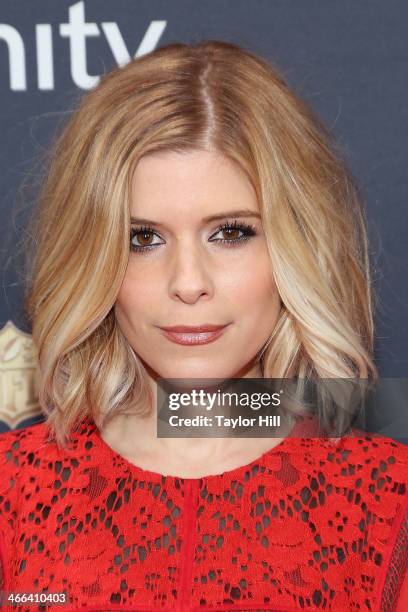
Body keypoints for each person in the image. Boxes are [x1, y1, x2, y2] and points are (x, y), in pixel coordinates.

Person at [0, 40, 406, 612]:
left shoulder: (386, 504)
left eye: (231, 233)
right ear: (90, 257)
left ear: (297, 244)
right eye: (143, 239)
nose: (187, 282)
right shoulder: (14, 494)